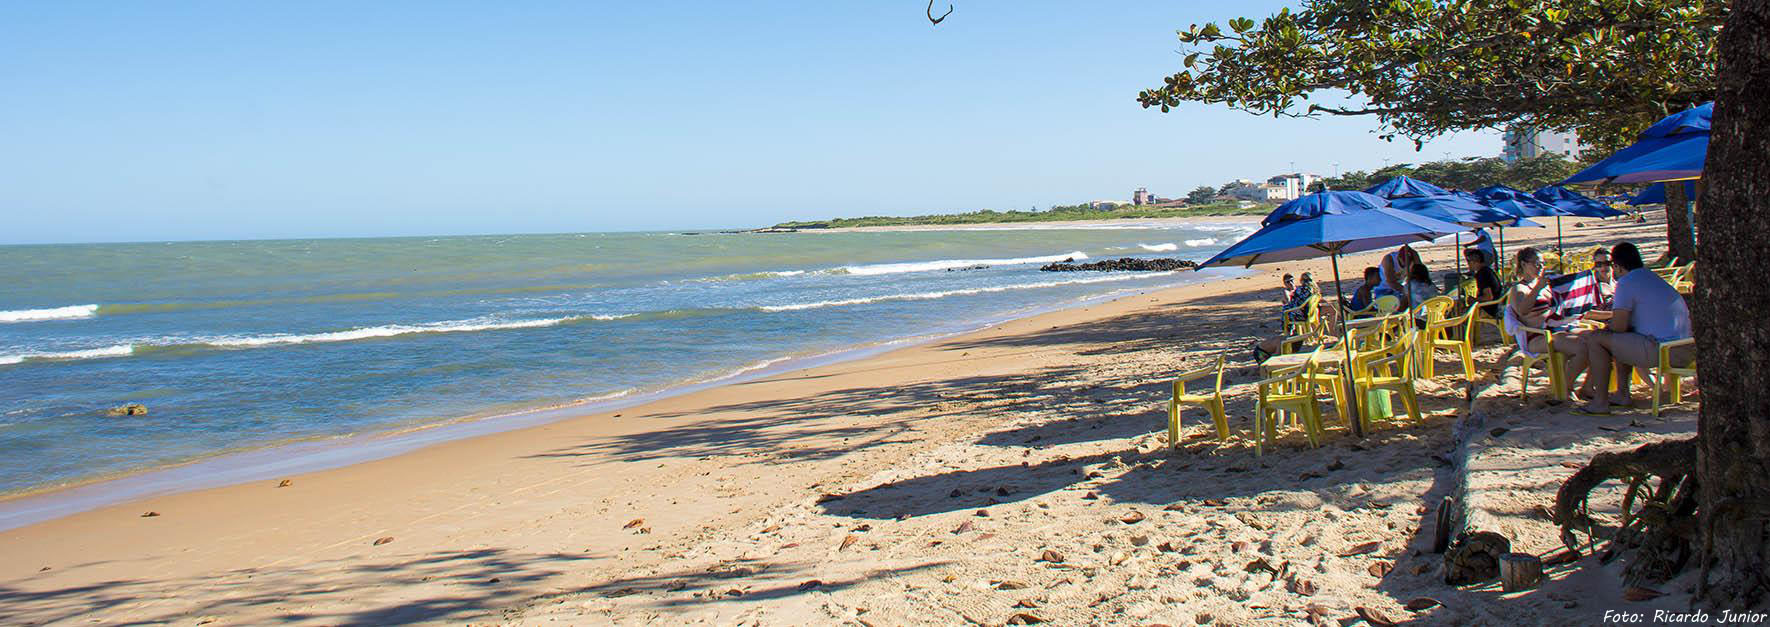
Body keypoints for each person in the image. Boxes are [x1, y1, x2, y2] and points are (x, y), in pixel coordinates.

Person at [1575, 242, 1693, 415]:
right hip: (1686, 348)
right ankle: (1622, 393)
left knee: (1597, 339)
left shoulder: (1626, 282)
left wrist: (1604, 329)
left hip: (1663, 350)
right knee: (1622, 338)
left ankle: (1599, 402)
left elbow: (1619, 327)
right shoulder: (1653, 278)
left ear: (1617, 266)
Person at [1505, 247, 1559, 356]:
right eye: (1536, 263)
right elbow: (1523, 311)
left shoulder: (1545, 286)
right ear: (1524, 264)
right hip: (1537, 336)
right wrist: (1538, 288)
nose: (1541, 267)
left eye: (1543, 263)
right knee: (1578, 346)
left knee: (1589, 341)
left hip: (1554, 329)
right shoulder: (1519, 289)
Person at [1255, 273, 1318, 361]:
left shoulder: (1300, 290)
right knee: (1287, 312)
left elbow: (1289, 302)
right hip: (1307, 312)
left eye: (1292, 280)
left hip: (1300, 313)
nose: (1290, 283)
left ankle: (1288, 331)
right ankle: (1292, 331)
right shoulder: (1311, 289)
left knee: (1286, 313)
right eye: (1288, 282)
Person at [1465, 248, 1503, 317]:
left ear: (1475, 262)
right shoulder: (1488, 270)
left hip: (1492, 307)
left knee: (1464, 313)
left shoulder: (1482, 275)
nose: (1468, 265)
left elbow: (1488, 297)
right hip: (1498, 303)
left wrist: (1474, 300)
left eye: (1469, 262)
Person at [1406, 262, 1438, 327]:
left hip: (1418, 318)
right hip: (1434, 316)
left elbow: (1405, 296)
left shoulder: (1411, 285)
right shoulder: (1431, 285)